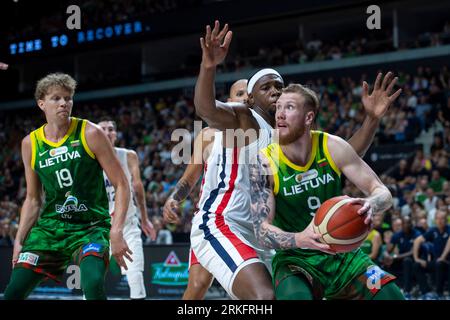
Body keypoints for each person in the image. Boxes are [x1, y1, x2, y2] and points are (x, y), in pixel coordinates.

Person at [192, 20, 401, 299]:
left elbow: (347, 156)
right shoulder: (246, 119)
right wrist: (209, 66)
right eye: (267, 88)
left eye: (280, 88)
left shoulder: (303, 137)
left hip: (270, 234)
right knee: (245, 295)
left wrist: (372, 120)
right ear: (251, 100)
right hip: (229, 221)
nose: (276, 93)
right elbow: (206, 109)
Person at [249, 83, 404, 299]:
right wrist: (299, 238)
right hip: (296, 260)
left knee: (392, 295)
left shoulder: (332, 146)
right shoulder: (263, 162)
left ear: (308, 118)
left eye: (290, 107)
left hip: (344, 257)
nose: (280, 115)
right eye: (279, 107)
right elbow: (261, 230)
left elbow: (382, 193)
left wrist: (371, 204)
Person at [4, 73, 132, 300]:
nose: (64, 103)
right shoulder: (30, 144)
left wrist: (117, 230)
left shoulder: (91, 132)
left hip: (91, 226)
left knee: (92, 284)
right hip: (51, 228)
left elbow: (121, 184)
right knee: (13, 292)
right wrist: (19, 240)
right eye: (56, 98)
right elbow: (33, 199)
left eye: (68, 98)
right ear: (41, 104)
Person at [163, 79, 248, 300]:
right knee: (198, 284)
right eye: (240, 94)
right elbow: (190, 177)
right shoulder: (209, 135)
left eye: (249, 94)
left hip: (250, 221)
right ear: (229, 103)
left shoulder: (267, 134)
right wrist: (175, 198)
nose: (246, 97)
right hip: (214, 220)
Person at [98, 118, 156, 300]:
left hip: (127, 225)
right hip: (99, 227)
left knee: (135, 277)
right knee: (91, 280)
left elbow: (138, 188)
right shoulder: (88, 160)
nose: (107, 132)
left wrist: (145, 218)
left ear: (115, 134)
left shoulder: (128, 155)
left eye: (111, 129)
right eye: (103, 129)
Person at [413, 210, 450, 299]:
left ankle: (439, 293)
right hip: (437, 261)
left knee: (439, 264)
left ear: (446, 220)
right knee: (417, 265)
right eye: (437, 219)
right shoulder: (433, 230)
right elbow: (417, 241)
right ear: (435, 220)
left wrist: (442, 257)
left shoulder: (449, 229)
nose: (440, 221)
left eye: (442, 219)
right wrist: (416, 258)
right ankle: (426, 291)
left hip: (447, 262)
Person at [389, 216, 421, 298]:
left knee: (407, 261)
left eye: (408, 223)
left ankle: (407, 290)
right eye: (404, 223)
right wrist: (386, 256)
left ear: (411, 224)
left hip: (414, 258)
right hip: (399, 259)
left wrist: (396, 256)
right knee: (387, 263)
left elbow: (413, 251)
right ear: (402, 225)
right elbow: (388, 249)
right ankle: (392, 289)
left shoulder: (417, 234)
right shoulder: (398, 234)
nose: (406, 225)